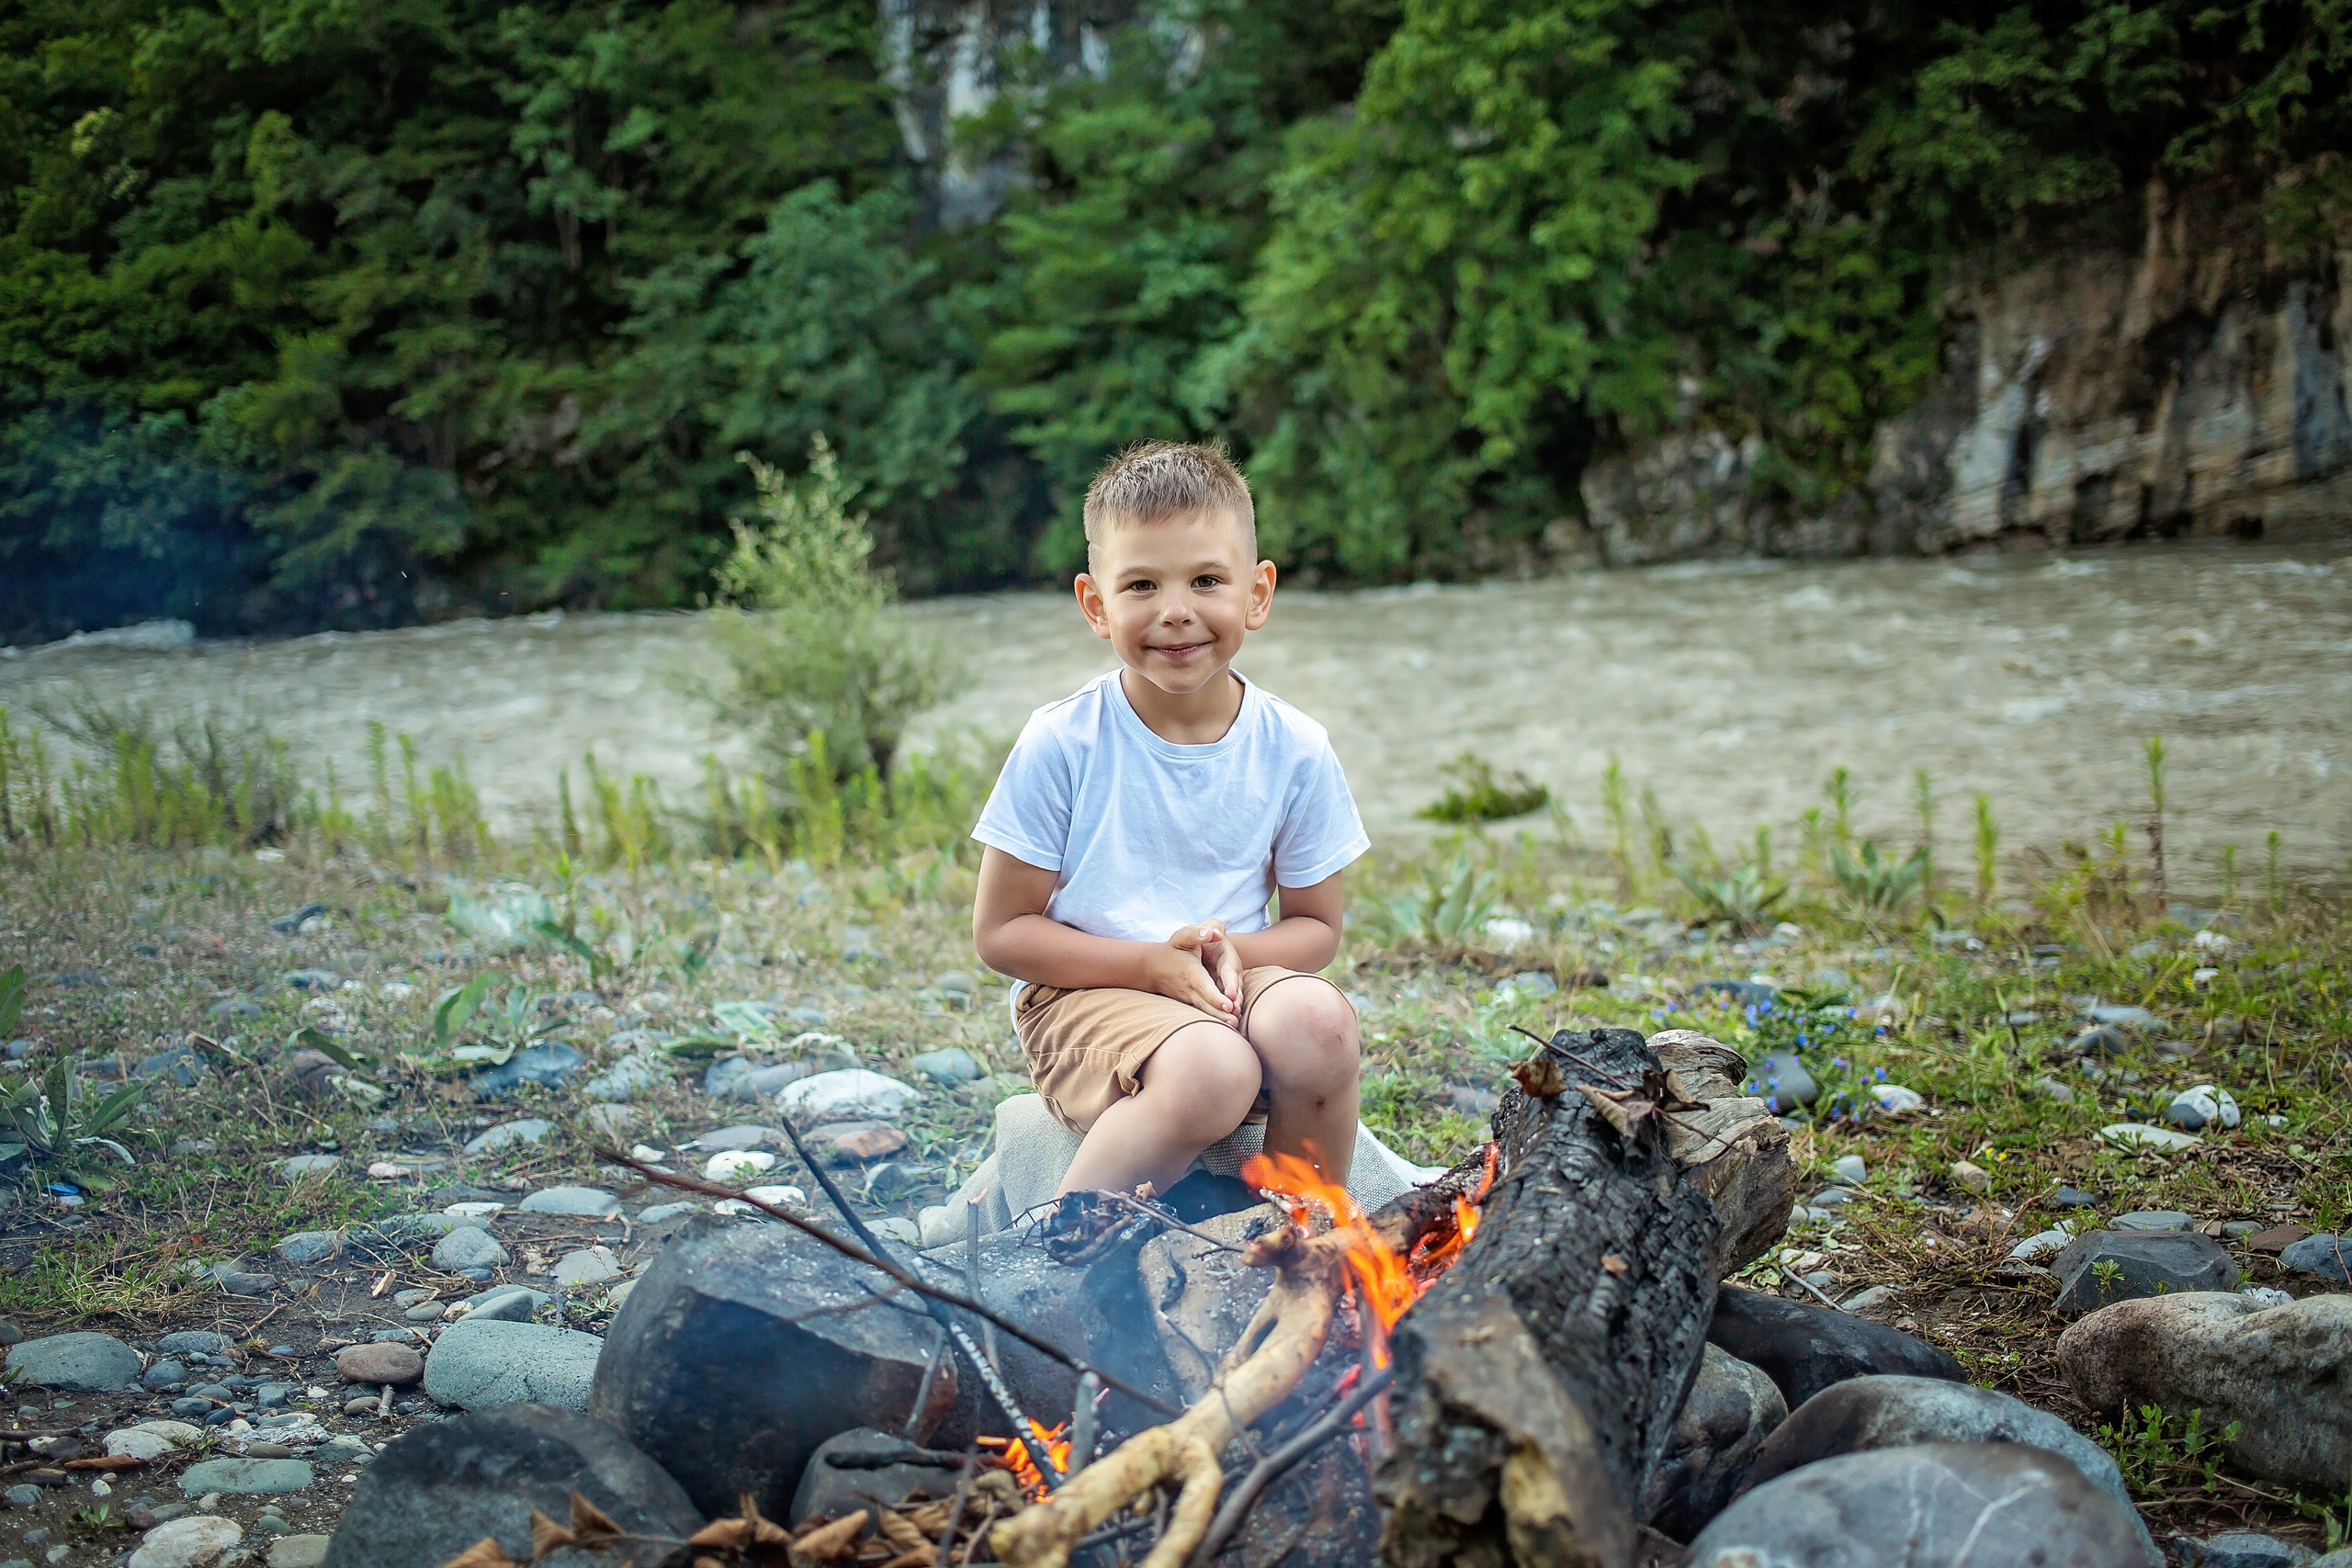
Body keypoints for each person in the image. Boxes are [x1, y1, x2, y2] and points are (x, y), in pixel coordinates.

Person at [970, 440, 1369, 1201]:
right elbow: (1002, 934)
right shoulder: (1063, 741)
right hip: (1082, 995)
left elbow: (1315, 927)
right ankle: (1055, 1256)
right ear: (1097, 604)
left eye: (1207, 580)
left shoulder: (1296, 747)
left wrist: (1222, 954)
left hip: (1230, 983)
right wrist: (1152, 962)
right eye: (1142, 584)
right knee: (1216, 1069)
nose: (1176, 610)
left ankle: (1299, 1240)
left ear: (1257, 592)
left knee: (1318, 1024)